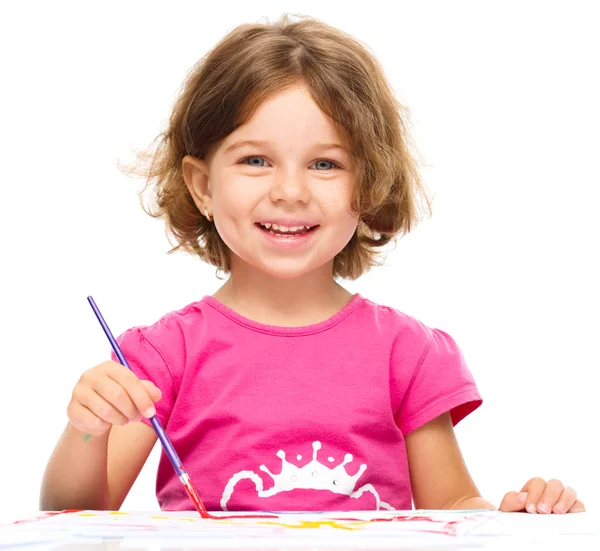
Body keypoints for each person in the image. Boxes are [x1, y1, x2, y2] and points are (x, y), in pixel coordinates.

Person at [40, 13, 584, 515]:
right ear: (202, 185)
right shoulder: (160, 358)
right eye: (256, 160)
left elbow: (456, 506)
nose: (291, 191)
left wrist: (520, 522)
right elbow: (74, 515)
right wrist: (88, 427)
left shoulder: (408, 354)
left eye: (325, 163)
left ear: (368, 186)